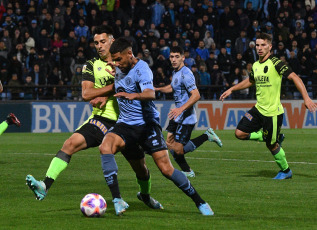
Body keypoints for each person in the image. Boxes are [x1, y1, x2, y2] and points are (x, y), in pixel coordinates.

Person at [25, 26, 162, 215]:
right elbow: (86, 93)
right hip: (102, 119)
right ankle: (44, 185)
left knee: (141, 168)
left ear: (112, 41)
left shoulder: (128, 64)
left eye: (102, 42)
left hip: (127, 122)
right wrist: (112, 89)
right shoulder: (91, 65)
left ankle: (145, 196)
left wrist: (112, 90)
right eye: (96, 43)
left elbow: (138, 87)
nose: (99, 46)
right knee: (70, 143)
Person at [99, 37, 214, 216]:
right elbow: (119, 85)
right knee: (107, 148)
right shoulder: (119, 68)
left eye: (119, 59)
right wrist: (104, 97)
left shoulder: (142, 68)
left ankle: (199, 201)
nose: (116, 63)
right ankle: (118, 199)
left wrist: (134, 96)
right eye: (114, 60)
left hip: (147, 125)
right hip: (125, 125)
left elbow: (150, 93)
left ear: (129, 54)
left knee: (166, 169)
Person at [220, 33, 317, 179]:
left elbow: (295, 77)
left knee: (271, 146)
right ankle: (270, 136)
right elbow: (251, 81)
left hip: (272, 113)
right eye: (257, 45)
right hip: (258, 109)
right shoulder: (256, 65)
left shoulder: (276, 63)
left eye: (263, 45)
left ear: (270, 47)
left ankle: (286, 171)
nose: (259, 48)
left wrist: (306, 98)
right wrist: (232, 89)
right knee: (239, 133)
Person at [155, 46, 222, 178]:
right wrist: (158, 89)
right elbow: (172, 87)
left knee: (177, 149)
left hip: (186, 117)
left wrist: (180, 109)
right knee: (169, 143)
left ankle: (206, 136)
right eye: (172, 57)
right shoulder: (175, 72)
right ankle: (186, 170)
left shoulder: (186, 74)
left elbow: (196, 95)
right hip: (177, 115)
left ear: (183, 58)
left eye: (177, 57)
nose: (174, 60)